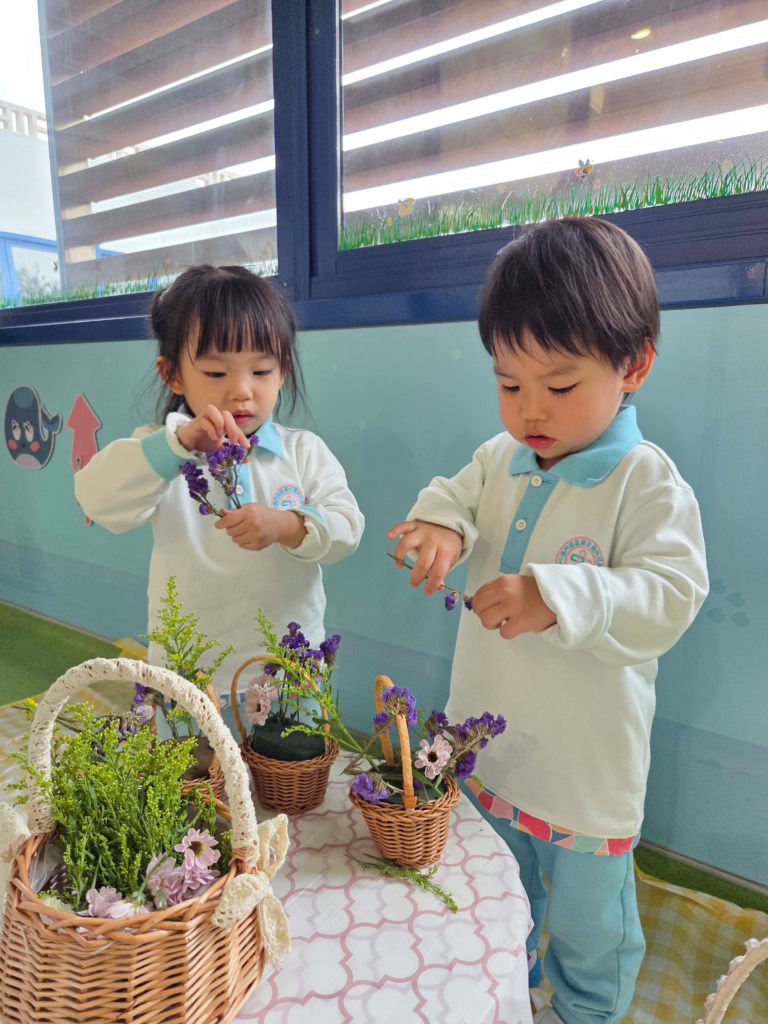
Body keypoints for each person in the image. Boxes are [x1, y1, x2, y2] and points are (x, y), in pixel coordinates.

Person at [387, 218, 708, 1024]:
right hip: (489, 749)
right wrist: (439, 528)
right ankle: (507, 986)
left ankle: (586, 1010)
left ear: (633, 365)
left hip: (585, 769)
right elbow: (455, 497)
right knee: (496, 890)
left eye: (559, 387)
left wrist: (557, 595)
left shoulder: (646, 484)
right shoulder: (499, 458)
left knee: (590, 924)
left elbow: (670, 595)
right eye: (508, 384)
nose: (530, 409)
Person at [76, 264, 364, 690]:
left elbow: (347, 528)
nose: (242, 390)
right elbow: (95, 498)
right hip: (188, 673)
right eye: (216, 373)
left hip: (288, 673)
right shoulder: (160, 448)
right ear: (172, 374)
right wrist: (176, 447)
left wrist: (288, 525)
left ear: (283, 370)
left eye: (261, 371)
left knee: (292, 739)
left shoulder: (303, 451)